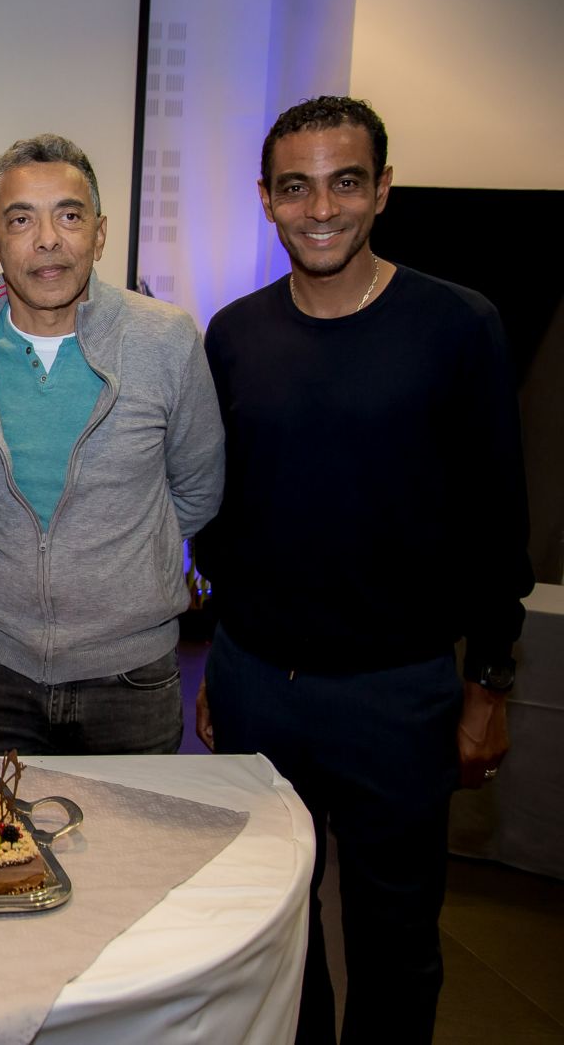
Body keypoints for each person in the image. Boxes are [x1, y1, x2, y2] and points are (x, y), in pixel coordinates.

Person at [195, 96, 532, 1044]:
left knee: (396, 944)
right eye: (295, 187)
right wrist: (226, 657)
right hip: (260, 683)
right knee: (273, 933)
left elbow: (499, 522)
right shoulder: (234, 334)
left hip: (400, 696)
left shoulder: (459, 327)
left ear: (383, 189)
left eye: (345, 182)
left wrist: (489, 682)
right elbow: (228, 512)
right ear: (266, 199)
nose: (321, 208)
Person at [0, 135, 223, 757]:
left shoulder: (166, 340)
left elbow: (198, 490)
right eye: (22, 220)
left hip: (133, 679)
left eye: (70, 216)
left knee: (135, 855)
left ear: (100, 234)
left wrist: (118, 563)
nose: (48, 239)